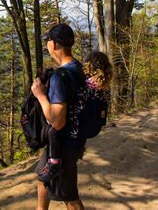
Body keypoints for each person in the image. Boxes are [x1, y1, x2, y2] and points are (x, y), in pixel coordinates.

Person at [31, 23, 86, 210]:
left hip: (63, 144)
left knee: (68, 195)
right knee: (43, 177)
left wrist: (40, 96)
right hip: (76, 138)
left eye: (48, 41)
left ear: (54, 45)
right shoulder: (80, 68)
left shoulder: (59, 76)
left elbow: (57, 120)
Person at [37, 50, 113, 183]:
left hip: (74, 127)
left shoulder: (87, 85)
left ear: (90, 66)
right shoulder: (103, 87)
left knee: (53, 132)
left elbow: (77, 102)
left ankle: (54, 163)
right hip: (87, 129)